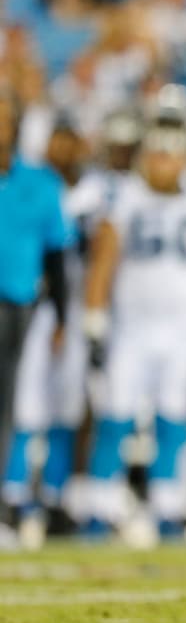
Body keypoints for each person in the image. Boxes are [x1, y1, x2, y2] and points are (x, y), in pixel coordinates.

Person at [81, 118, 186, 540]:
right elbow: (104, 260)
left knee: (174, 418)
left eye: (170, 155)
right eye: (157, 154)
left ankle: (169, 507)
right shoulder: (125, 197)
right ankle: (99, 506)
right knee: (115, 415)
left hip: (181, 331)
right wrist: (93, 317)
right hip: (131, 328)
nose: (163, 164)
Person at [0, 91, 68, 545]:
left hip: (13, 302)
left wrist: (63, 315)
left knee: (5, 403)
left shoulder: (41, 183)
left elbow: (57, 256)